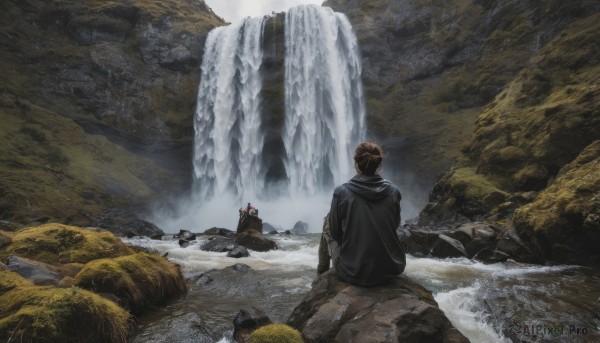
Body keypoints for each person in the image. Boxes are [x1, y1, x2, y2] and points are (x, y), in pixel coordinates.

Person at [317, 141, 406, 287]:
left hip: (353, 271)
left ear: (356, 163)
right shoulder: (393, 191)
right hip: (391, 268)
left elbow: (335, 233)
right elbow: (394, 226)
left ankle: (321, 278)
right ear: (379, 164)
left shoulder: (341, 192)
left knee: (328, 223)